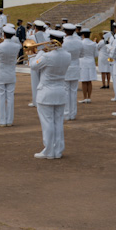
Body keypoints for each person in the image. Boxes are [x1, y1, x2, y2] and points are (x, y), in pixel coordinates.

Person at [33, 30, 70, 159]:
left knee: (47, 123)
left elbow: (33, 66)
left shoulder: (47, 56)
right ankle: (58, 150)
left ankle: (48, 151)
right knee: (58, 122)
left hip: (46, 93)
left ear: (52, 41)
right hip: (60, 92)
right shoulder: (67, 55)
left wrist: (39, 53)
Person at [0, 26, 21, 127]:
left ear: (3, 35)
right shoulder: (17, 46)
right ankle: (9, 120)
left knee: (0, 97)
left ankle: (1, 121)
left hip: (0, 73)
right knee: (10, 98)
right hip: (11, 73)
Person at [61, 24, 82, 121]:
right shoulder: (79, 41)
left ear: (65, 31)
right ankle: (73, 113)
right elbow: (82, 54)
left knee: (65, 91)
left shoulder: (63, 42)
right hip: (75, 66)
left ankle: (66, 113)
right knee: (73, 92)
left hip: (65, 67)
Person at [28, 20, 48, 107]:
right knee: (43, 81)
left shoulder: (32, 37)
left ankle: (36, 101)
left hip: (35, 58)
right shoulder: (47, 36)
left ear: (35, 28)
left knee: (35, 81)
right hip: (45, 58)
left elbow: (29, 50)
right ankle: (44, 99)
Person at [79, 30, 96, 103]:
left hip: (83, 62)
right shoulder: (93, 43)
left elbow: (79, 54)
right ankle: (89, 97)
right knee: (89, 81)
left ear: (83, 35)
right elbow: (96, 54)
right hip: (91, 61)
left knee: (84, 80)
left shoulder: (81, 43)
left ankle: (85, 97)